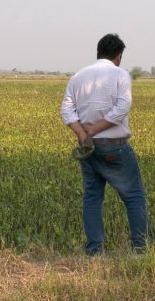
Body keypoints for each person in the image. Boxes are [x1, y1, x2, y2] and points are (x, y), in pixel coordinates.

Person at [60, 33, 149, 255]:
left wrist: (82, 132)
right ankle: (140, 250)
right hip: (113, 145)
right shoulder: (120, 74)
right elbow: (122, 109)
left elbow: (66, 110)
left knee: (92, 197)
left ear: (98, 53)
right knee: (134, 196)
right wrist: (95, 129)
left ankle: (94, 251)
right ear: (118, 56)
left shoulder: (78, 77)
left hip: (88, 147)